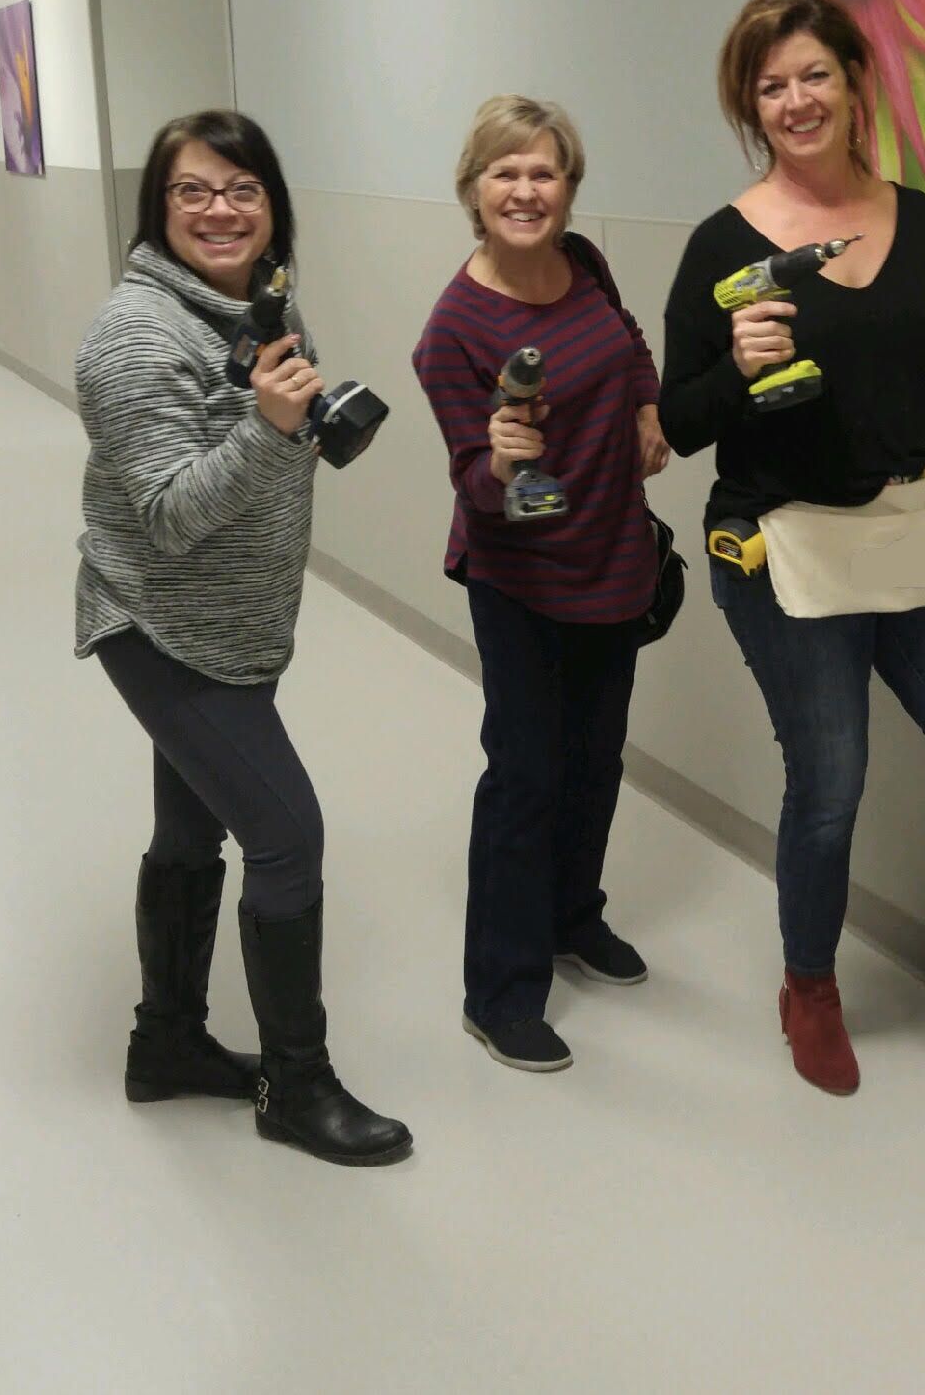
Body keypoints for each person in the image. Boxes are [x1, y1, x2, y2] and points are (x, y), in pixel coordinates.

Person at [657, 0, 925, 1105]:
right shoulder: (719, 244)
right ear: (751, 105)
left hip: (919, 535)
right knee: (829, 782)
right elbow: (678, 421)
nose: (794, 101)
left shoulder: (922, 220)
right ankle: (809, 989)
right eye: (769, 85)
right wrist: (735, 367)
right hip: (784, 546)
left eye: (812, 76)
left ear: (854, 83)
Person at [75, 109, 412, 1165]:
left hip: (237, 624)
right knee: (287, 839)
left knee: (192, 833)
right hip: (164, 626)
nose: (221, 209)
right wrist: (271, 432)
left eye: (242, 189)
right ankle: (295, 1087)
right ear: (158, 208)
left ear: (272, 206)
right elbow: (171, 511)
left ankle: (166, 1045)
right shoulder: (134, 337)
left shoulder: (260, 300)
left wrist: (288, 420)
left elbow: (261, 426)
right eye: (193, 191)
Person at [413, 95, 669, 1073]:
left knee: (596, 759)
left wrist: (645, 409)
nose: (525, 190)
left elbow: (630, 343)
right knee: (525, 777)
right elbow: (475, 493)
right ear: (474, 191)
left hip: (613, 556)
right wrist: (504, 461)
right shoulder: (453, 331)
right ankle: (501, 990)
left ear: (568, 187)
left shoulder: (585, 264)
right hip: (519, 578)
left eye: (543, 173)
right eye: (504, 173)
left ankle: (572, 918)